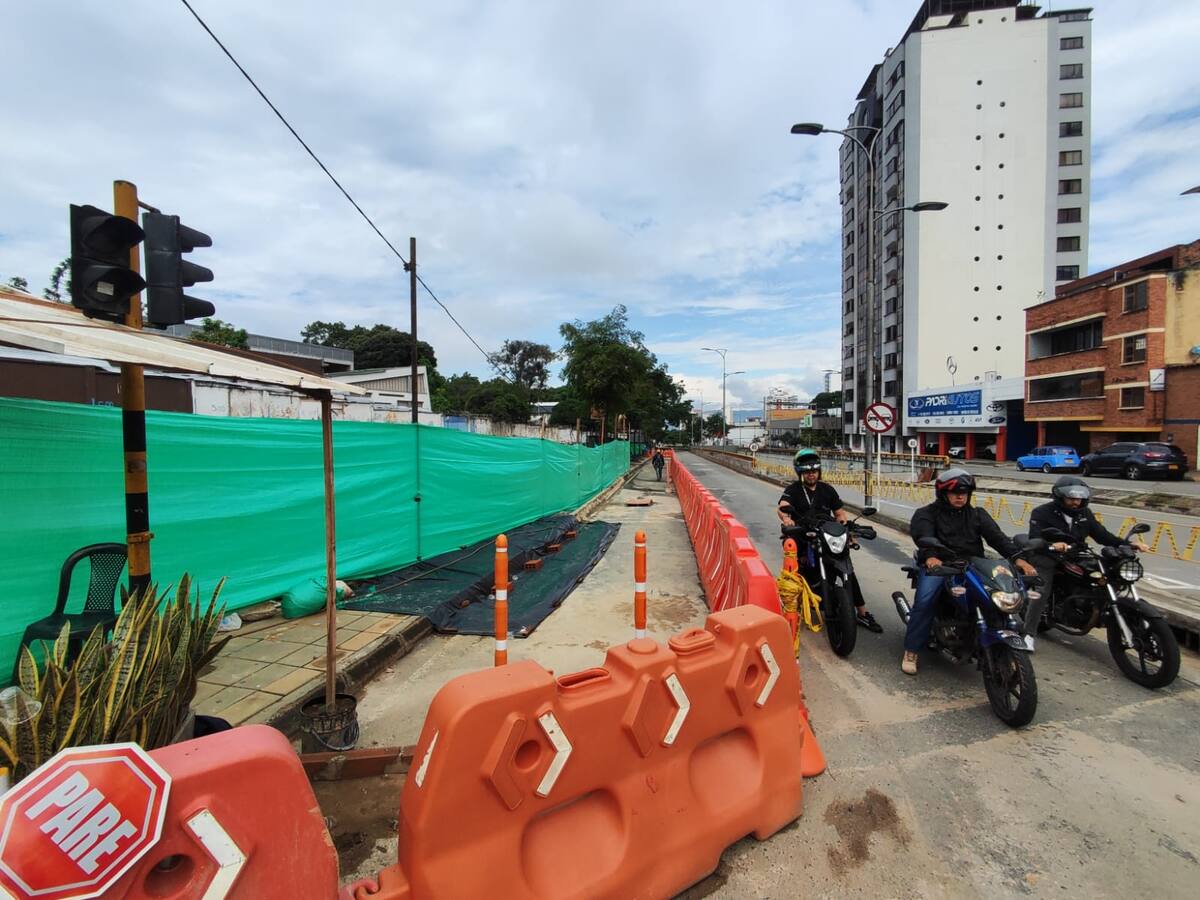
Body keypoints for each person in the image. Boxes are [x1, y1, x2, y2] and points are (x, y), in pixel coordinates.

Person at [902, 467, 1037, 675]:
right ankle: (911, 650)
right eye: (955, 493)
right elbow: (923, 536)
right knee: (925, 601)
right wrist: (930, 556)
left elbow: (998, 538)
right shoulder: (926, 514)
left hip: (973, 564)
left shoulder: (977, 515)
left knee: (1000, 594)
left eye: (964, 493)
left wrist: (1019, 559)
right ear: (943, 494)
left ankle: (1001, 645)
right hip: (942, 565)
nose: (960, 497)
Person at [1023, 475, 1147, 637]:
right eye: (1071, 499)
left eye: (1079, 499)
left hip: (1074, 554)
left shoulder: (1084, 514)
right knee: (1041, 590)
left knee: (1105, 572)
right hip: (1046, 554)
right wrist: (1052, 545)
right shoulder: (1041, 512)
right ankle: (1028, 634)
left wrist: (1128, 544)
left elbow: (1102, 536)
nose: (1076, 503)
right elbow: (1035, 537)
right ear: (1060, 497)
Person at [777, 448, 883, 633]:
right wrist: (787, 519)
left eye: (814, 471)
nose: (811, 475)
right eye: (807, 472)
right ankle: (792, 608)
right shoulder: (793, 489)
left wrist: (845, 529)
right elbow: (783, 507)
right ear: (801, 473)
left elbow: (839, 513)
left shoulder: (827, 489)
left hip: (827, 535)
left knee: (847, 569)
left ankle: (862, 613)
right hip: (803, 535)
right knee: (795, 570)